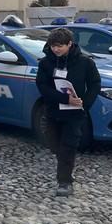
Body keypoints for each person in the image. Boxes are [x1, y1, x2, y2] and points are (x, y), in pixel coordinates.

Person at [36, 28, 101, 197]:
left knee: (68, 146)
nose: (56, 49)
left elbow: (95, 84)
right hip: (53, 111)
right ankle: (66, 169)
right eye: (53, 46)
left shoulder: (85, 63)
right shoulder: (45, 63)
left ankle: (64, 182)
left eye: (60, 46)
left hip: (75, 113)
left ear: (69, 44)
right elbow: (42, 86)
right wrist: (65, 100)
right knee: (54, 145)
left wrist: (84, 103)